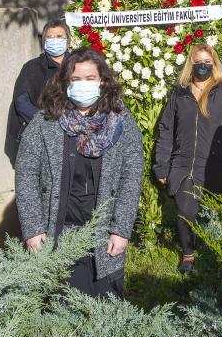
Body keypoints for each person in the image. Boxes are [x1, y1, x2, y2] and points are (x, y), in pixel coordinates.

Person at [15, 48, 144, 298]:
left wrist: (121, 229)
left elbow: (131, 175)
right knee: (64, 310)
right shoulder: (45, 122)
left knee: (105, 311)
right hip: (60, 231)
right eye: (75, 80)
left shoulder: (122, 123)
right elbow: (26, 174)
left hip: (104, 233)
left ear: (103, 81)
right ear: (64, 83)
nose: (82, 85)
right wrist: (33, 229)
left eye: (90, 78)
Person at [154, 44, 222, 274]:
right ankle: (188, 255)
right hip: (184, 165)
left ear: (214, 65)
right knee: (185, 212)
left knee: (217, 215)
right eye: (198, 61)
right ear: (190, 64)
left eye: (207, 62)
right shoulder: (179, 94)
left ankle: (220, 257)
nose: (202, 66)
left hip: (217, 166)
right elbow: (166, 130)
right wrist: (162, 165)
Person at [6, 19, 70, 162]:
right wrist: (48, 123)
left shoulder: (78, 65)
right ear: (44, 41)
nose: (55, 40)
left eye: (60, 37)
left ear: (68, 41)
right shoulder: (32, 67)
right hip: (41, 134)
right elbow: (22, 101)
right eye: (50, 37)